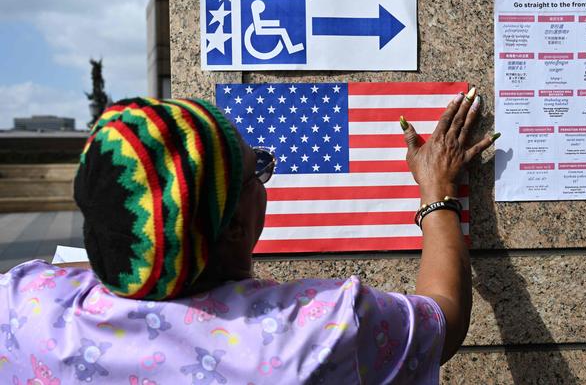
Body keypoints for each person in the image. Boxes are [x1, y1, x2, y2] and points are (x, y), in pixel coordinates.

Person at [0, 89, 496, 384]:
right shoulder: (317, 333)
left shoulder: (24, 309)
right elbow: (442, 318)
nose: (263, 171)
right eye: (256, 167)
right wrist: (438, 191)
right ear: (236, 226)